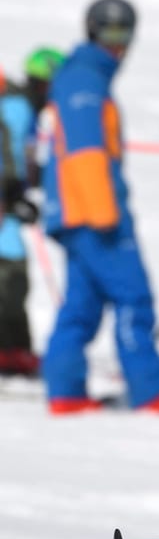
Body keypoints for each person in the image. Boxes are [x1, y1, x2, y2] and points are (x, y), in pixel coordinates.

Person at [41, 0, 159, 415]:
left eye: (126, 34)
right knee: (134, 297)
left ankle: (65, 392)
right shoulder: (84, 79)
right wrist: (103, 213)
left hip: (78, 212)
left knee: (82, 305)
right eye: (110, 32)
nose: (119, 45)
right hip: (93, 213)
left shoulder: (84, 75)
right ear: (92, 30)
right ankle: (151, 390)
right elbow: (85, 151)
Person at [0, 48, 60, 376]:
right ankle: (11, 348)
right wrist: (13, 194)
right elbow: (9, 154)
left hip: (8, 201)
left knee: (13, 268)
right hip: (5, 202)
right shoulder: (18, 107)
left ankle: (15, 346)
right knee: (11, 270)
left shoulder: (23, 106)